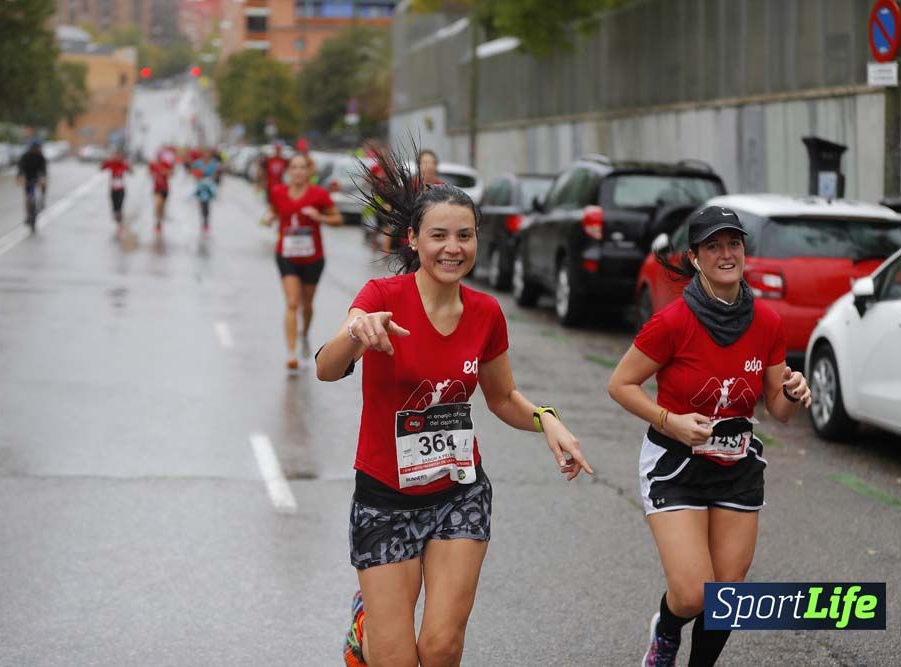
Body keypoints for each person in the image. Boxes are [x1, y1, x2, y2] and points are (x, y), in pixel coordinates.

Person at [315, 149, 594, 667]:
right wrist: (356, 332)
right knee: (394, 657)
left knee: (441, 648)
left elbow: (502, 396)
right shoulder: (381, 296)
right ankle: (366, 625)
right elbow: (327, 368)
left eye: (464, 235)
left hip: (458, 494)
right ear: (414, 241)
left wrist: (546, 419)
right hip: (385, 498)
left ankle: (380, 624)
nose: (452, 247)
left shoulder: (487, 313)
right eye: (438, 236)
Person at [606, 206, 812, 667]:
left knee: (727, 596)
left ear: (744, 251)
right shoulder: (672, 322)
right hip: (675, 463)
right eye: (713, 246)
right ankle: (667, 628)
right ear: (696, 258)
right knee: (692, 592)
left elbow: (777, 410)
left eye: (733, 244)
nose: (726, 254)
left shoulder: (768, 323)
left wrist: (793, 391)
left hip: (736, 465)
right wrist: (670, 420)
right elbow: (619, 384)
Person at [264, 152, 342, 370]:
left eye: (302, 167)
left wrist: (320, 218)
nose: (298, 171)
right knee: (292, 302)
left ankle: (304, 334)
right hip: (286, 255)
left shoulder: (319, 194)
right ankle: (291, 353)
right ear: (288, 172)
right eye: (294, 167)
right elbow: (272, 211)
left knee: (307, 305)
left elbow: (338, 219)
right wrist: (269, 217)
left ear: (309, 171)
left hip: (313, 258)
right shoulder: (278, 192)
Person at [16, 140, 48, 231]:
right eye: (35, 148)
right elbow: (20, 168)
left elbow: (43, 169)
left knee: (44, 184)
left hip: (37, 177)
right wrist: (20, 178)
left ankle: (42, 199)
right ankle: (27, 215)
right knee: (28, 197)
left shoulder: (40, 157)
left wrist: (43, 178)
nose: (36, 150)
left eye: (38, 148)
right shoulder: (25, 156)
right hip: (28, 178)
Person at [100, 148, 133, 234]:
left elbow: (131, 172)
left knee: (119, 207)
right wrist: (107, 160)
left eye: (118, 155)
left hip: (121, 189)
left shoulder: (122, 163)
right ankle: (117, 219)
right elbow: (102, 168)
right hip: (113, 189)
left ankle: (119, 224)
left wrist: (128, 165)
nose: (117, 157)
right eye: (116, 155)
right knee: (114, 208)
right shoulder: (111, 163)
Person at [192, 149, 220, 233]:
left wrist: (213, 178)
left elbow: (216, 173)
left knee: (207, 203)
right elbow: (194, 172)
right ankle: (203, 219)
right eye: (205, 155)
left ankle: (206, 221)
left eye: (208, 155)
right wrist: (198, 176)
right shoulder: (198, 163)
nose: (206, 157)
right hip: (200, 185)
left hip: (209, 185)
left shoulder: (213, 163)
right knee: (201, 203)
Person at [148, 152, 173, 233]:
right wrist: (152, 174)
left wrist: (165, 172)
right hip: (156, 189)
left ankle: (160, 220)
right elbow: (149, 173)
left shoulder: (165, 164)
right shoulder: (153, 165)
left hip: (165, 189)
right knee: (158, 204)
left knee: (162, 206)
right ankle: (158, 223)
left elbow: (172, 173)